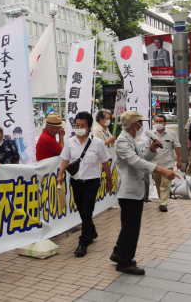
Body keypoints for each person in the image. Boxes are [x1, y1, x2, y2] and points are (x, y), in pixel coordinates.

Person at [111, 111, 177, 275]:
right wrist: (160, 169)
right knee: (131, 228)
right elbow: (134, 161)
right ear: (134, 125)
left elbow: (140, 158)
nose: (142, 126)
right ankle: (125, 263)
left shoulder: (130, 138)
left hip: (135, 189)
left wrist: (151, 150)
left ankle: (119, 253)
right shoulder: (122, 141)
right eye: (140, 123)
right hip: (129, 191)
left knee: (129, 226)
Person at [57, 111, 112, 257]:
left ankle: (83, 243)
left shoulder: (98, 143)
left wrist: (109, 180)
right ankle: (91, 231)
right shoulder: (70, 142)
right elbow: (65, 159)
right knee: (81, 210)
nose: (79, 127)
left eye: (82, 125)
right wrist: (60, 174)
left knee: (87, 211)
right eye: (77, 125)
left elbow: (105, 163)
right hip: (76, 182)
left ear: (88, 127)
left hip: (92, 182)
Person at [147, 114, 181, 212]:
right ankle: (162, 199)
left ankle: (163, 203)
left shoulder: (171, 133)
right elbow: (147, 148)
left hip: (168, 163)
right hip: (155, 164)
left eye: (161, 121)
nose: (158, 123)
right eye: (157, 121)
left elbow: (177, 147)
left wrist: (179, 160)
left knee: (165, 184)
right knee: (158, 184)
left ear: (165, 123)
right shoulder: (151, 134)